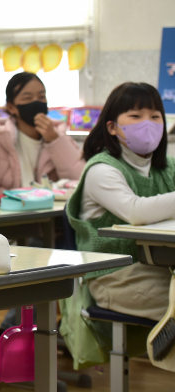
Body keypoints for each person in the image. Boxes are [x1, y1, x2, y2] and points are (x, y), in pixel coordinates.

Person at [61, 82, 173, 369]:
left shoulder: (167, 167)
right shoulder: (102, 169)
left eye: (155, 116)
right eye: (135, 116)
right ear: (112, 127)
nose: (147, 123)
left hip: (161, 270)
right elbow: (134, 211)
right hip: (116, 276)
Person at [0, 72, 85, 195]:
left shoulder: (60, 137)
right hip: (8, 215)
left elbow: (82, 179)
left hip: (51, 214)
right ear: (12, 107)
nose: (36, 103)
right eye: (27, 98)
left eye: (41, 97)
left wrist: (55, 140)